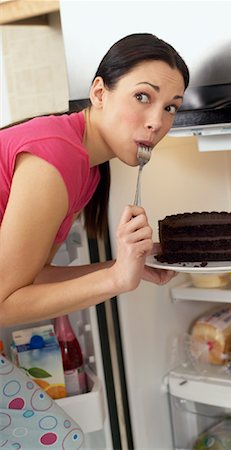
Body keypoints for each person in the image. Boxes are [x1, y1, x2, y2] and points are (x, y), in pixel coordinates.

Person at [0, 33, 189, 448]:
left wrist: (122, 268)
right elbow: (4, 303)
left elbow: (32, 276)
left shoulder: (86, 169)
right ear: (99, 92)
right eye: (144, 97)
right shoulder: (57, 155)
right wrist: (116, 280)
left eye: (170, 107)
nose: (157, 121)